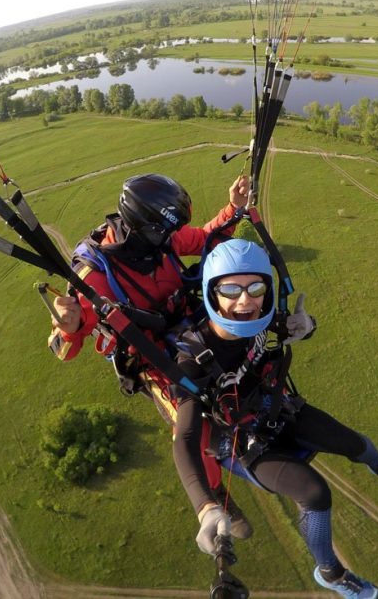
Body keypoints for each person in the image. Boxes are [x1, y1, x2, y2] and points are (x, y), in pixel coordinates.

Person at [170, 239, 378, 599]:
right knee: (315, 493)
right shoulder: (192, 359)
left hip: (275, 407)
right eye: (230, 290)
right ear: (212, 293)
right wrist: (205, 506)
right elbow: (185, 437)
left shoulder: (262, 319)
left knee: (353, 443)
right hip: (239, 440)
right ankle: (330, 572)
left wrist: (307, 325)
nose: (245, 301)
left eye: (256, 288)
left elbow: (293, 327)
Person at [47, 172, 253, 537]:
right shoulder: (94, 277)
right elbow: (63, 350)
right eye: (165, 232)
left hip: (189, 330)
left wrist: (233, 209)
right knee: (195, 428)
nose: (172, 239)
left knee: (249, 359)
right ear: (143, 227)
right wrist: (69, 326)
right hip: (154, 359)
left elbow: (207, 240)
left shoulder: (161, 240)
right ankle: (214, 495)